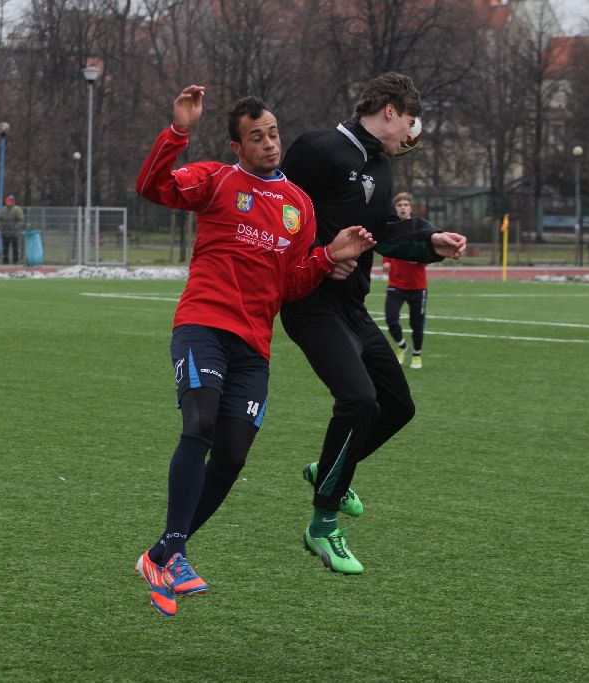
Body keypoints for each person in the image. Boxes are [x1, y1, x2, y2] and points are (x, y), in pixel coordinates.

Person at [133, 84, 375, 616]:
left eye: (273, 134)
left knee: (233, 454)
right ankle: (174, 550)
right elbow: (152, 186)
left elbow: (290, 283)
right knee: (198, 425)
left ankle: (163, 552)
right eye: (256, 138)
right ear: (237, 147)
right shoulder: (216, 179)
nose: (269, 144)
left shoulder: (298, 206)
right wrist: (178, 131)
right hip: (203, 325)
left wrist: (329, 257)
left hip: (254, 346)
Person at [279, 72, 467, 574]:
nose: (412, 133)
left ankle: (329, 471)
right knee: (359, 400)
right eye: (410, 121)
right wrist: (321, 255)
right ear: (388, 109)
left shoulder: (380, 166)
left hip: (352, 308)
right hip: (311, 302)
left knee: (398, 407)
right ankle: (323, 526)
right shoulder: (316, 149)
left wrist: (430, 243)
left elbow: (384, 232)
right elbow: (282, 218)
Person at [382, 192, 429, 369]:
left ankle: (417, 354)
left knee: (416, 324)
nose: (402, 207)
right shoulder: (391, 228)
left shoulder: (420, 229)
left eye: (405, 205)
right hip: (395, 284)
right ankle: (402, 346)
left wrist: (419, 259)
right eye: (399, 205)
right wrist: (386, 263)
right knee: (391, 319)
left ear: (411, 208)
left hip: (418, 286)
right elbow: (386, 249)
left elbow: (429, 252)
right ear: (396, 208)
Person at [0, 194, 24, 264]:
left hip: (14, 232)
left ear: (12, 201)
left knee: (15, 247)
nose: (7, 202)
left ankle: (15, 261)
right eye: (6, 201)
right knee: (5, 248)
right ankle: (5, 260)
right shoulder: (3, 210)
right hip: (5, 232)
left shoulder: (17, 209)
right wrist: (0, 226)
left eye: (9, 201)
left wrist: (16, 226)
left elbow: (21, 219)